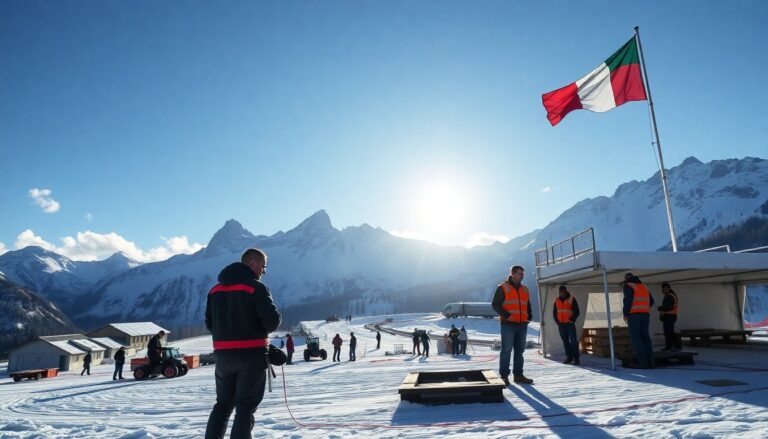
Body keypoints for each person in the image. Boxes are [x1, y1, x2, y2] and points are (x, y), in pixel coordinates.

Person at [204, 248, 281, 439]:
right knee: (245, 408)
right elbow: (271, 322)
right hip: (251, 358)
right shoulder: (256, 288)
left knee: (222, 406)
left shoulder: (215, 291)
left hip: (222, 359)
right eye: (263, 266)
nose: (264, 272)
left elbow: (209, 323)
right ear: (253, 264)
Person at [492, 265, 533, 385]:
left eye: (523, 274)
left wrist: (529, 316)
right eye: (520, 274)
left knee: (520, 351)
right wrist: (507, 316)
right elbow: (495, 305)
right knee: (506, 350)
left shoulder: (525, 289)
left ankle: (518, 375)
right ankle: (504, 376)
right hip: (508, 324)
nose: (522, 276)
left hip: (522, 324)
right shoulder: (502, 288)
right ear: (513, 274)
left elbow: (528, 305)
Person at [623, 272, 655, 369]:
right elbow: (652, 301)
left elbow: (628, 301)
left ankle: (643, 363)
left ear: (627, 279)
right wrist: (644, 308)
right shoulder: (643, 286)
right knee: (646, 338)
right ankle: (651, 362)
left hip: (634, 315)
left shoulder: (628, 286)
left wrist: (625, 314)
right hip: (645, 315)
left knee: (637, 339)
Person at [553, 285, 581, 365]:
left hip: (569, 324)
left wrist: (572, 319)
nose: (562, 293)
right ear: (559, 292)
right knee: (565, 341)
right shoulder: (556, 300)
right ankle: (569, 357)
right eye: (560, 292)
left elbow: (577, 311)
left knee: (573, 341)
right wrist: (557, 321)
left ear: (566, 291)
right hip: (561, 325)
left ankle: (576, 358)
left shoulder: (572, 299)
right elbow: (555, 312)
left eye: (563, 292)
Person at [658, 282, 681, 352]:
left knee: (669, 332)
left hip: (670, 316)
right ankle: (672, 346)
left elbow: (668, 307)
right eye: (663, 289)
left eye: (665, 289)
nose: (663, 290)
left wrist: (660, 308)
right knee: (669, 332)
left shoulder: (670, 296)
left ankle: (672, 346)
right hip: (669, 316)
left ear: (669, 288)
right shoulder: (668, 295)